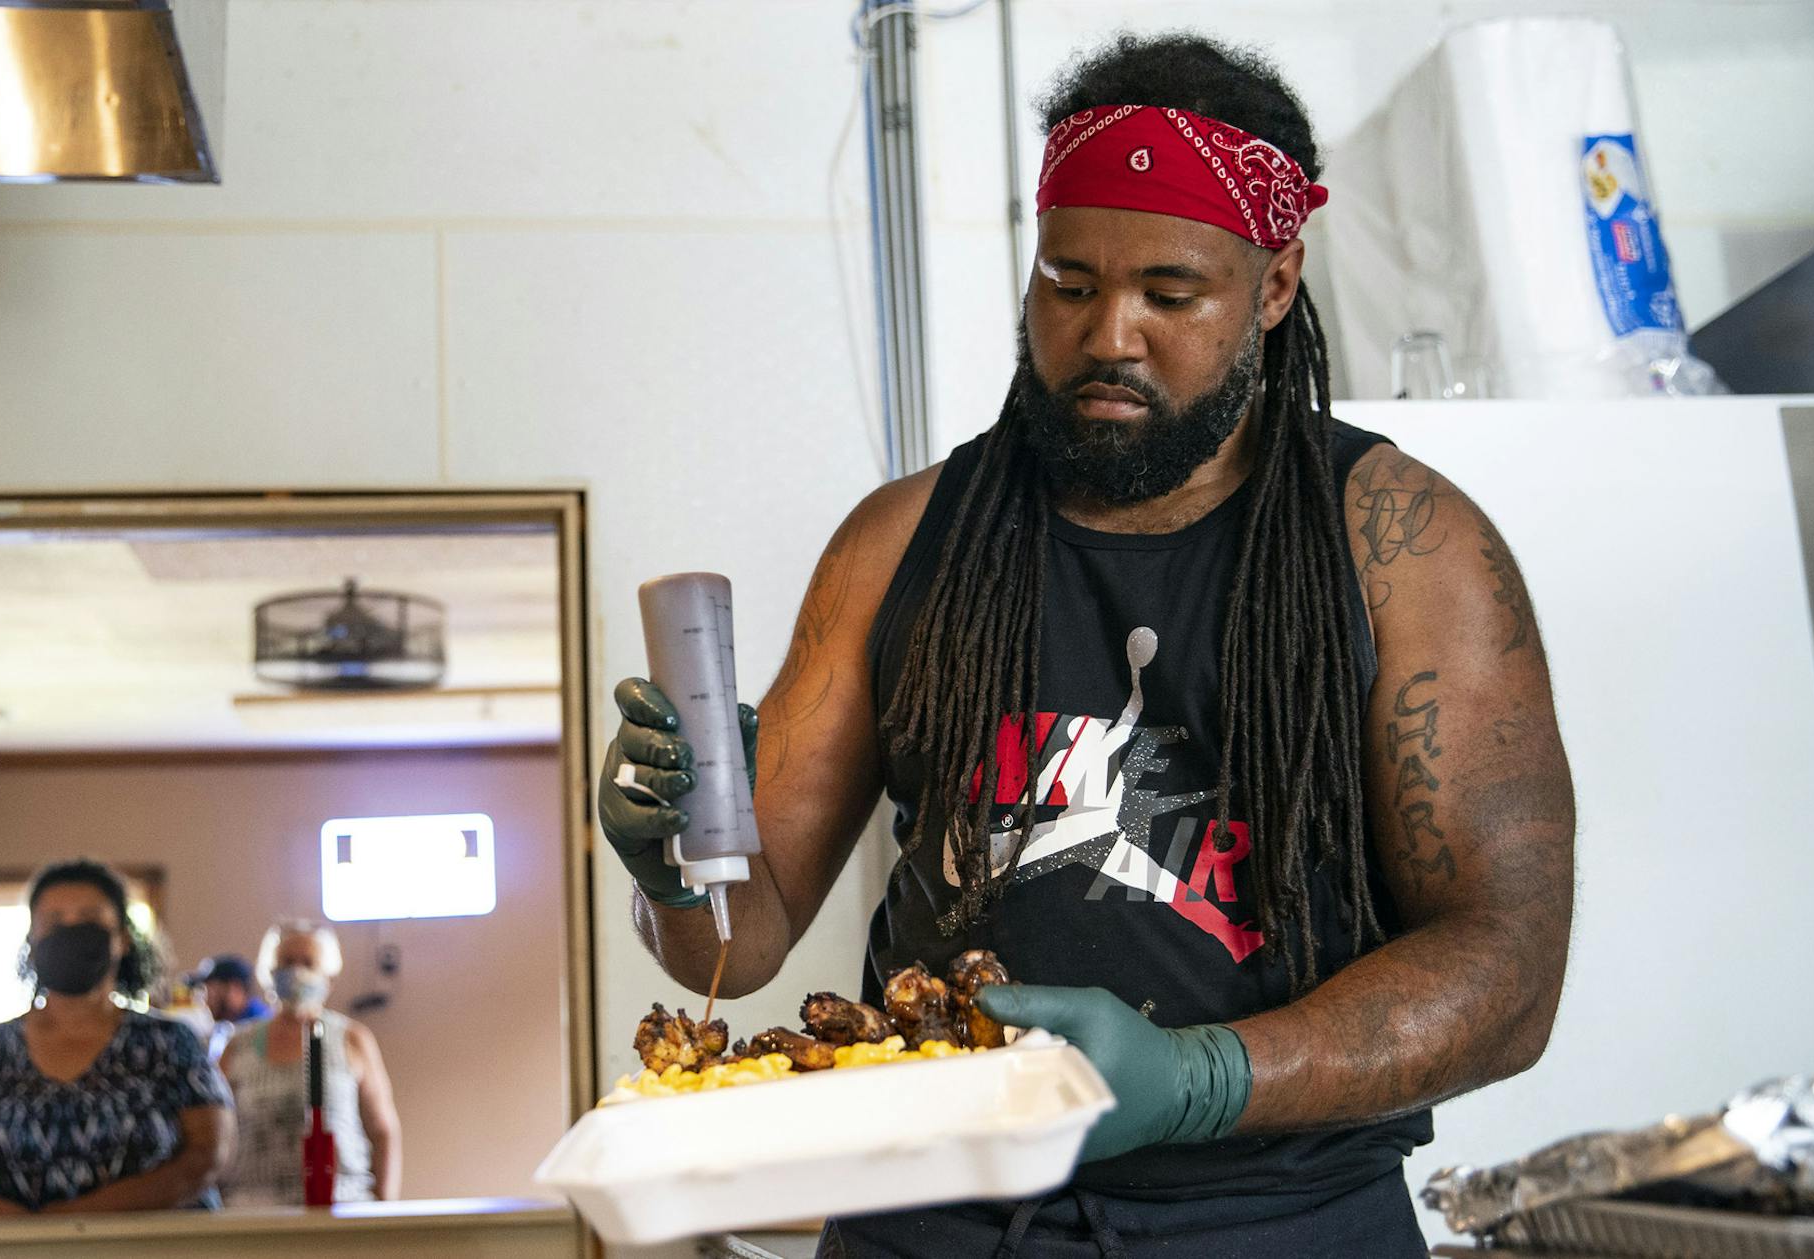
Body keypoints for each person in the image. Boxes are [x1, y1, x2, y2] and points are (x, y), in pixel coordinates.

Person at [597, 31, 1574, 1257]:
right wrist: (675, 866)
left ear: (1274, 288)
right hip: (932, 1223)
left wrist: (1198, 1075)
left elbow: (1512, 967)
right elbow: (734, 950)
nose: (1111, 334)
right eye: (1068, 283)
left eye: (1171, 294)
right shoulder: (900, 543)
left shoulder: (1404, 549)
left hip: (1279, 1220)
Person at [0, 859, 235, 1217]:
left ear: (123, 939)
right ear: (33, 941)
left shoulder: (169, 1043)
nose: (70, 932)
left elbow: (209, 1154)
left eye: (89, 920)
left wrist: (78, 1223)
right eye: (53, 922)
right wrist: (18, 1235)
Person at [218, 919, 402, 1206]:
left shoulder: (352, 1040)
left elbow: (382, 1131)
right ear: (270, 972)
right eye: (287, 962)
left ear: (328, 975)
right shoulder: (237, 1046)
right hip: (254, 1209)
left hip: (342, 1205)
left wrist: (382, 1208)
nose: (297, 972)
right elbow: (217, 1133)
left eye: (308, 963)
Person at [191, 954, 270, 1063]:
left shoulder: (263, 1031)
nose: (205, 1001)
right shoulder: (223, 1029)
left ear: (235, 989)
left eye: (209, 991)